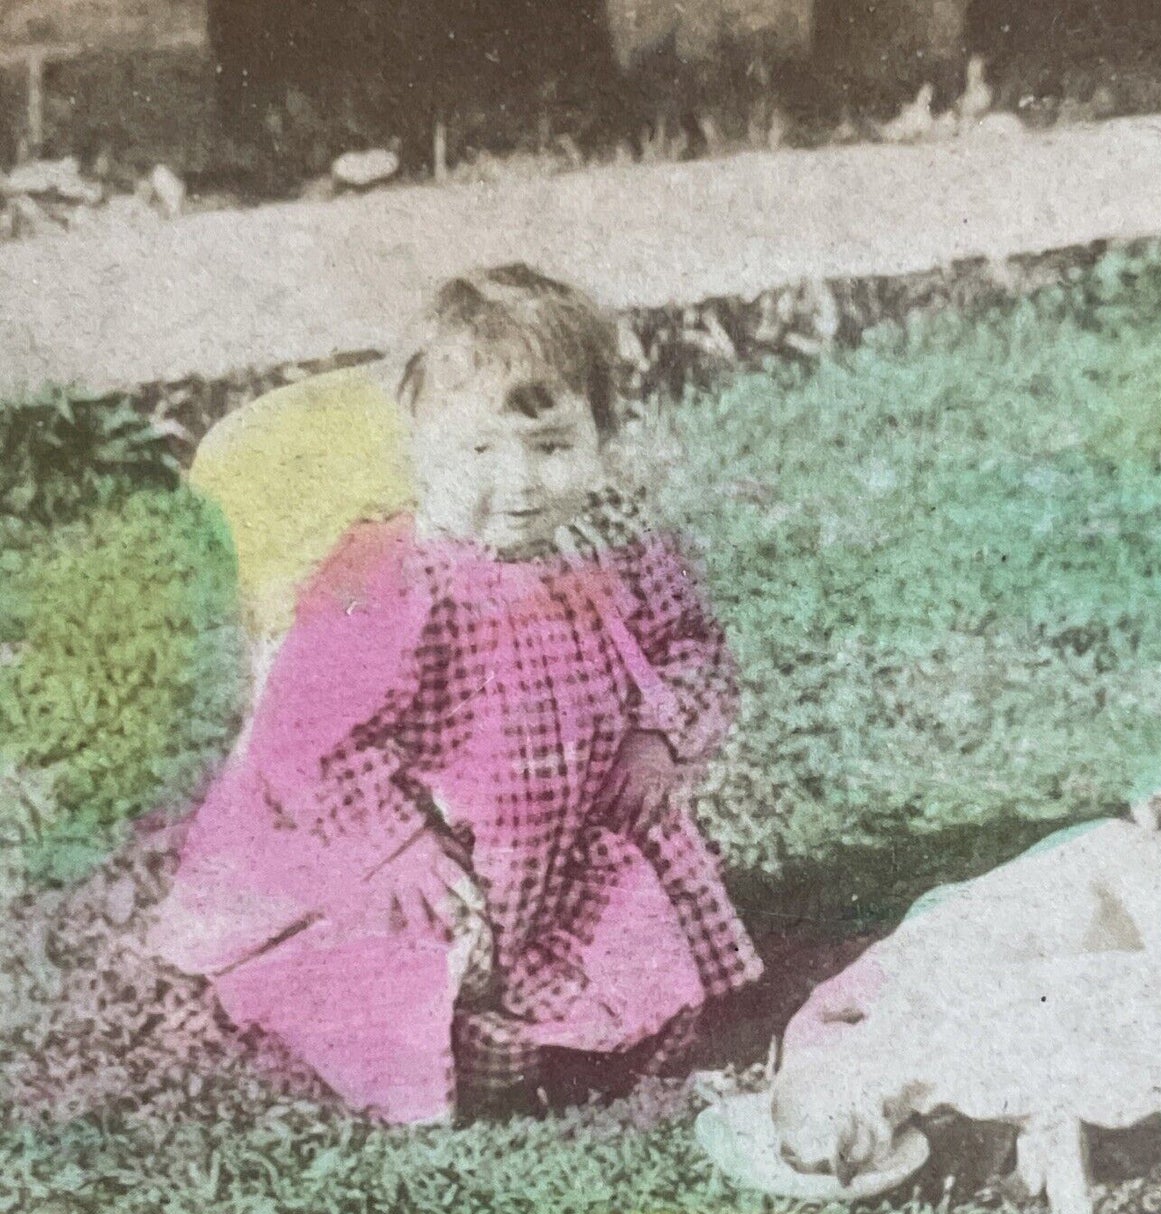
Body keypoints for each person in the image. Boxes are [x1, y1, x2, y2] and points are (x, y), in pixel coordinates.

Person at [149, 263, 763, 1125]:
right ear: (421, 444)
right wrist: (398, 842)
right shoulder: (393, 573)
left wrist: (657, 737)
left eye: (552, 448)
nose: (518, 481)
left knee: (650, 1004)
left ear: (599, 434)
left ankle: (575, 1010)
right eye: (478, 449)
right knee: (431, 1014)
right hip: (444, 854)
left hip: (576, 836)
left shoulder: (612, 540)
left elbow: (692, 644)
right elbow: (306, 734)